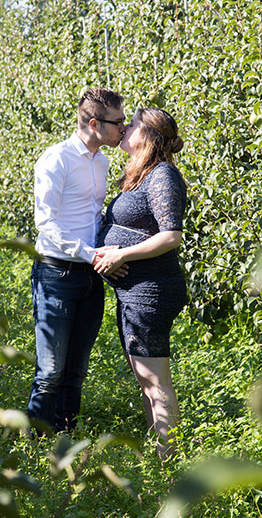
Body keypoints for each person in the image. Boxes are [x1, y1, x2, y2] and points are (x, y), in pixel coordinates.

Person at [28, 87, 127, 433]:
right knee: (50, 371)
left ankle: (64, 439)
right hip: (57, 274)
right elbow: (46, 222)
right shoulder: (56, 159)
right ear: (95, 123)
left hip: (91, 276)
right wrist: (90, 253)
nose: (124, 129)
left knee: (76, 371)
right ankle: (36, 445)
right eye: (118, 122)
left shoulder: (102, 161)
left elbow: (94, 216)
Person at [94, 106, 187, 457]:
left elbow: (171, 236)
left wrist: (122, 255)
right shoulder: (142, 174)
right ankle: (161, 454)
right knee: (146, 381)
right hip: (135, 292)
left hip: (152, 291)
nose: (123, 129)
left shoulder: (162, 175)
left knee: (156, 382)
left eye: (130, 124)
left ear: (146, 135)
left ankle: (170, 459)